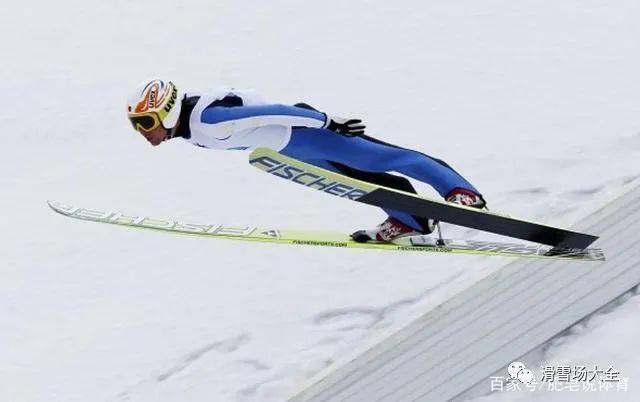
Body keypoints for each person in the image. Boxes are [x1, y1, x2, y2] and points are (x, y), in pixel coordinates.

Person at [126, 79, 486, 243]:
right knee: (355, 185)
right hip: (289, 149)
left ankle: (460, 192)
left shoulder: (207, 120)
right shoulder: (189, 128)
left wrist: (329, 121)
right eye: (137, 125)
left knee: (384, 159)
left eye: (146, 123)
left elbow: (274, 111)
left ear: (168, 112)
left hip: (307, 133)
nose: (143, 132)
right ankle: (412, 221)